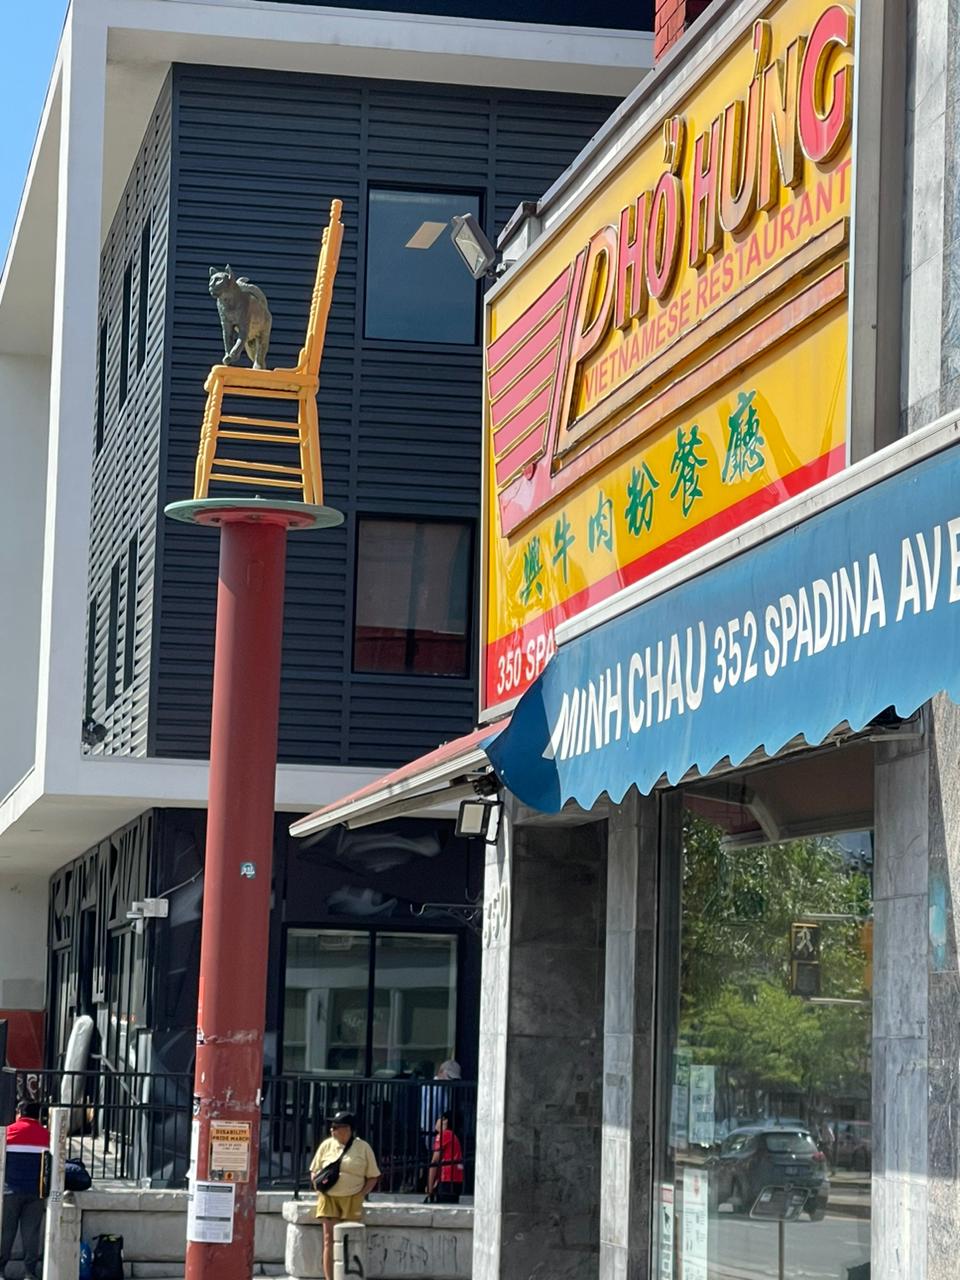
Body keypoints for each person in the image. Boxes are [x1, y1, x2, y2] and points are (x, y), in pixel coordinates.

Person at [309, 1111, 380, 1280]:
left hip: (352, 1198)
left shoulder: (363, 1147)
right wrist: (318, 1188)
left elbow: (373, 1176)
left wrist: (361, 1194)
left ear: (348, 1129)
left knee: (350, 1239)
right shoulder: (326, 1145)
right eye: (332, 1127)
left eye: (336, 1127)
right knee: (329, 1239)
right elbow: (314, 1170)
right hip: (329, 1198)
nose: (332, 1130)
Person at [1, 1101, 51, 1280]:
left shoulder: (8, 1132)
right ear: (38, 1115)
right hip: (35, 1192)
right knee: (31, 1234)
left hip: (9, 1191)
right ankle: (30, 1273)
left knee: (6, 1232)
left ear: (19, 1113)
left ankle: (1, 1270)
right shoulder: (46, 1135)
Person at [425, 1111, 464, 1204]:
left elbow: (434, 1162)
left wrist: (430, 1187)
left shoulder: (444, 1135)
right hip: (455, 1179)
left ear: (445, 1121)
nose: (437, 1121)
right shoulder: (453, 1136)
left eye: (440, 1118)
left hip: (447, 1179)